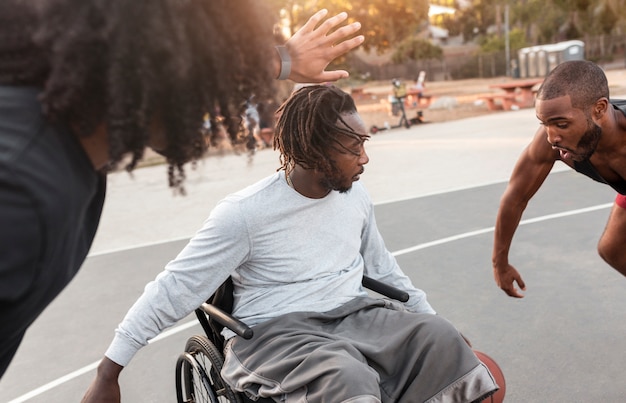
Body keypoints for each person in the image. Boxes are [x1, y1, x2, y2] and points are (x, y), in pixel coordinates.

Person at [0, 0, 365, 378]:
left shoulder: (64, 140)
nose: (220, 105)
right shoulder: (19, 193)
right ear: (155, 68)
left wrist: (283, 60)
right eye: (206, 77)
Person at [82, 85, 499, 403]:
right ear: (315, 150)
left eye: (363, 144)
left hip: (356, 315)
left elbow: (382, 268)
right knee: (347, 377)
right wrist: (108, 372)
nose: (364, 158)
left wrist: (428, 315)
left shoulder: (355, 196)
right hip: (277, 332)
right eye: (353, 146)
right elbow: (174, 288)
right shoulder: (245, 213)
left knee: (442, 338)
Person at [492, 60, 626, 298]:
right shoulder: (550, 142)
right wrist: (499, 263)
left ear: (599, 109)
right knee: (612, 248)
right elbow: (515, 198)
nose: (552, 137)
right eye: (545, 124)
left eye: (561, 124)